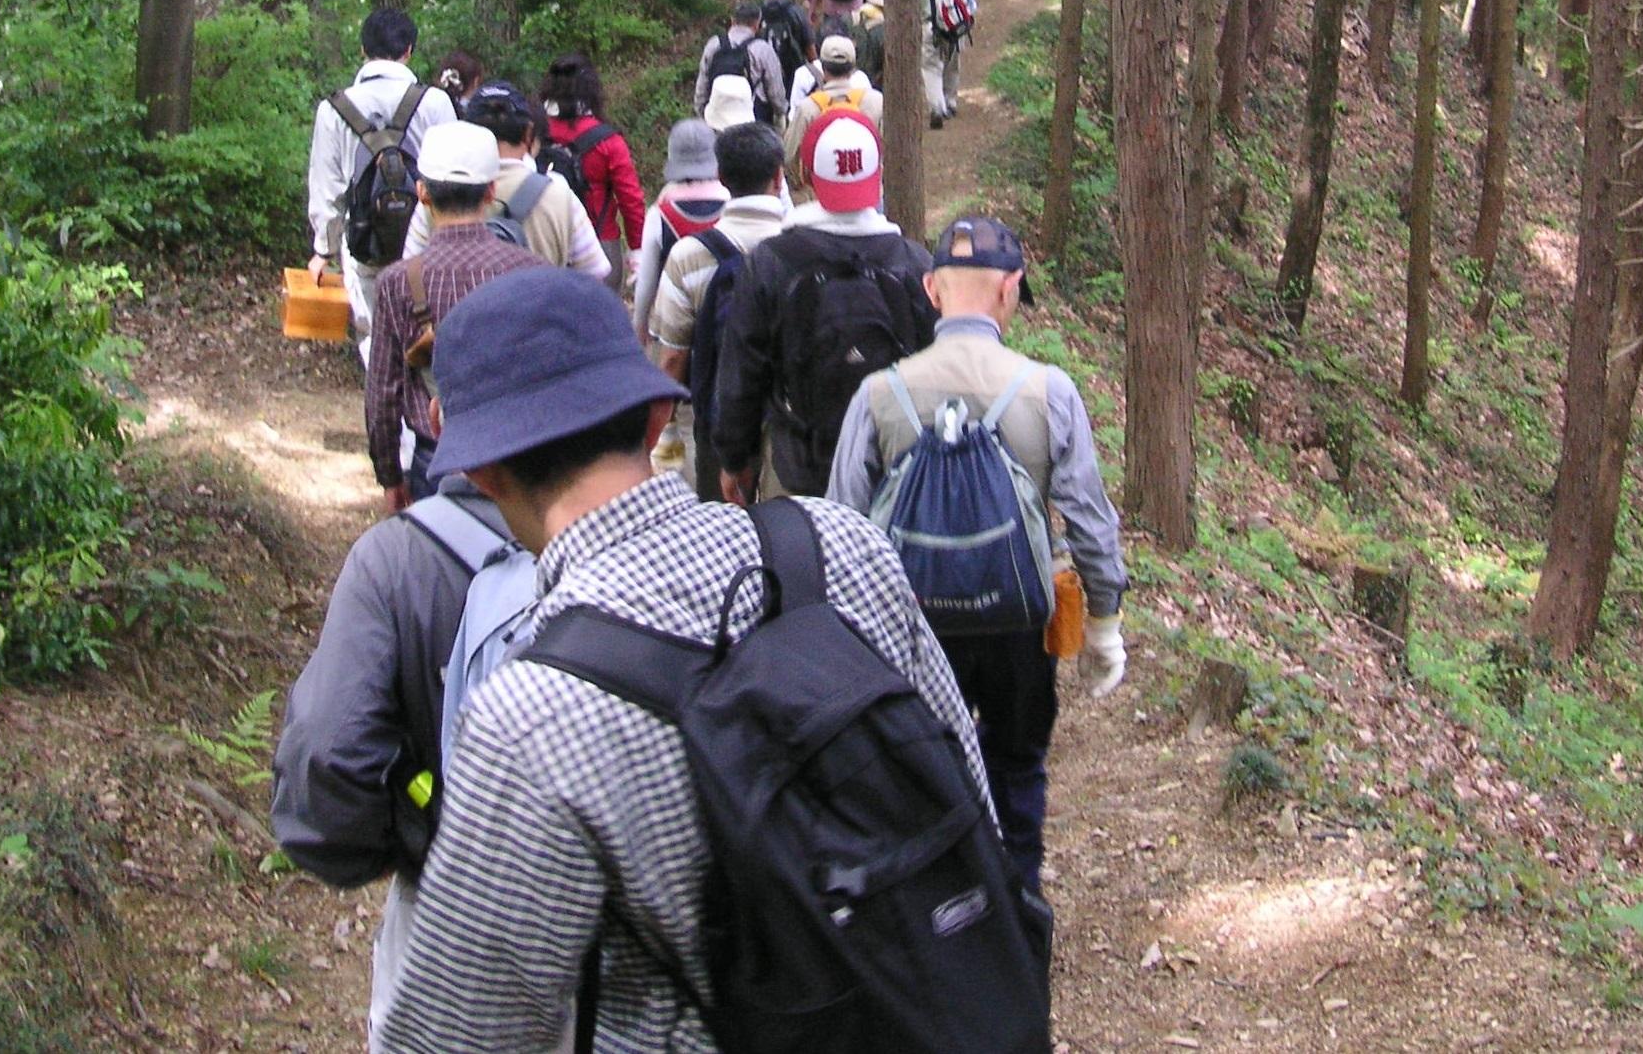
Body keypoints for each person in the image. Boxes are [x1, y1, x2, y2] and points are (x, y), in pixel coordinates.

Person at [372, 266, 993, 1054]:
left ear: (483, 469)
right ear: (657, 410)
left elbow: (455, 1039)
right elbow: (971, 810)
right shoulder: (841, 545)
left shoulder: (529, 715)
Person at [827, 215, 1130, 898]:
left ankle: (933, 917)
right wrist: (1104, 622)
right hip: (1018, 617)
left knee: (918, 774)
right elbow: (1088, 518)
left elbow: (842, 522)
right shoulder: (1048, 390)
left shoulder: (878, 393)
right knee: (1018, 766)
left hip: (910, 625)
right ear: (1010, 289)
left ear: (932, 289)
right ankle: (1016, 914)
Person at [272, 430, 523, 1052]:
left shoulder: (397, 559)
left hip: (447, 917)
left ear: (439, 413)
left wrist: (408, 837)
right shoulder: (659, 555)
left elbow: (331, 752)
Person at [714, 110, 935, 502]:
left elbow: (743, 375)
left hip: (798, 472)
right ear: (877, 172)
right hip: (896, 474)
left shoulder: (770, 262)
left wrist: (735, 459)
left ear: (806, 173)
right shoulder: (914, 264)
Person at [366, 122, 544, 505]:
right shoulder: (531, 272)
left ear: (422, 192)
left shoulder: (398, 282)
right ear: (491, 191)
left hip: (435, 463)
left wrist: (390, 477)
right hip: (515, 462)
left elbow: (383, 392)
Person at [648, 121, 789, 501]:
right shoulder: (800, 246)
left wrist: (663, 429)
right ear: (778, 177)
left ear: (721, 177)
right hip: (790, 429)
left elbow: (673, 358)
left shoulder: (689, 255)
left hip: (718, 426)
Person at [309, 7, 457, 367]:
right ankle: (421, 416)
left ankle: (386, 414)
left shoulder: (333, 109)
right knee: (426, 333)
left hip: (365, 243)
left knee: (375, 337)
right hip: (425, 243)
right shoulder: (435, 102)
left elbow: (328, 188)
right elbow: (453, 176)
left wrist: (323, 250)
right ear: (409, 50)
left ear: (363, 50)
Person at [405, 81, 609, 280]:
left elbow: (410, 273)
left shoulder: (436, 198)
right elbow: (596, 271)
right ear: (529, 132)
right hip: (541, 312)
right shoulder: (560, 195)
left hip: (460, 313)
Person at [541, 57, 647, 292]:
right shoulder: (608, 141)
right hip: (600, 244)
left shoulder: (536, 132)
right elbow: (631, 201)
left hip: (545, 243)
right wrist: (637, 248)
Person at [630, 119, 729, 345]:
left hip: (675, 326)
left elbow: (647, 279)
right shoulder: (732, 203)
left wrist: (640, 325)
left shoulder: (661, 213)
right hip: (725, 320)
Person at [784, 33, 883, 169]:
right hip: (866, 185)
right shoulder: (876, 102)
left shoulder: (808, 108)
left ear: (823, 68)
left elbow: (790, 156)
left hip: (820, 186)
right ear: (852, 68)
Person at [920, 0, 978, 130]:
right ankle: (950, 101)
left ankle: (937, 107)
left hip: (926, 24)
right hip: (952, 24)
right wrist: (970, 11)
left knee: (930, 66)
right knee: (952, 62)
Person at [692, 0, 787, 125]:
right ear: (757, 23)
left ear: (732, 20)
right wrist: (781, 113)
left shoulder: (714, 45)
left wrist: (702, 114)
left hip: (716, 119)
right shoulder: (763, 50)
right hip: (752, 121)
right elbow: (776, 95)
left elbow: (701, 88)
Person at [758, 0, 815, 84]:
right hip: (793, 77)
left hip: (762, 78)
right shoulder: (796, 12)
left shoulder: (756, 12)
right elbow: (809, 47)